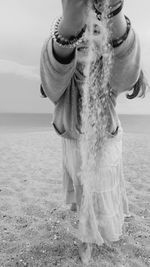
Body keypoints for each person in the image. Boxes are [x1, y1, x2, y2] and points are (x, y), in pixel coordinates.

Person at [40, 0, 147, 262]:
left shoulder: (108, 71)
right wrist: (67, 30)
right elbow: (52, 80)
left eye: (96, 31)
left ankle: (91, 236)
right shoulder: (63, 74)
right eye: (81, 32)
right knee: (82, 187)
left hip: (105, 141)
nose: (87, 36)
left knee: (102, 189)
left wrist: (115, 20)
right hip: (75, 141)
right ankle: (87, 232)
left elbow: (126, 72)